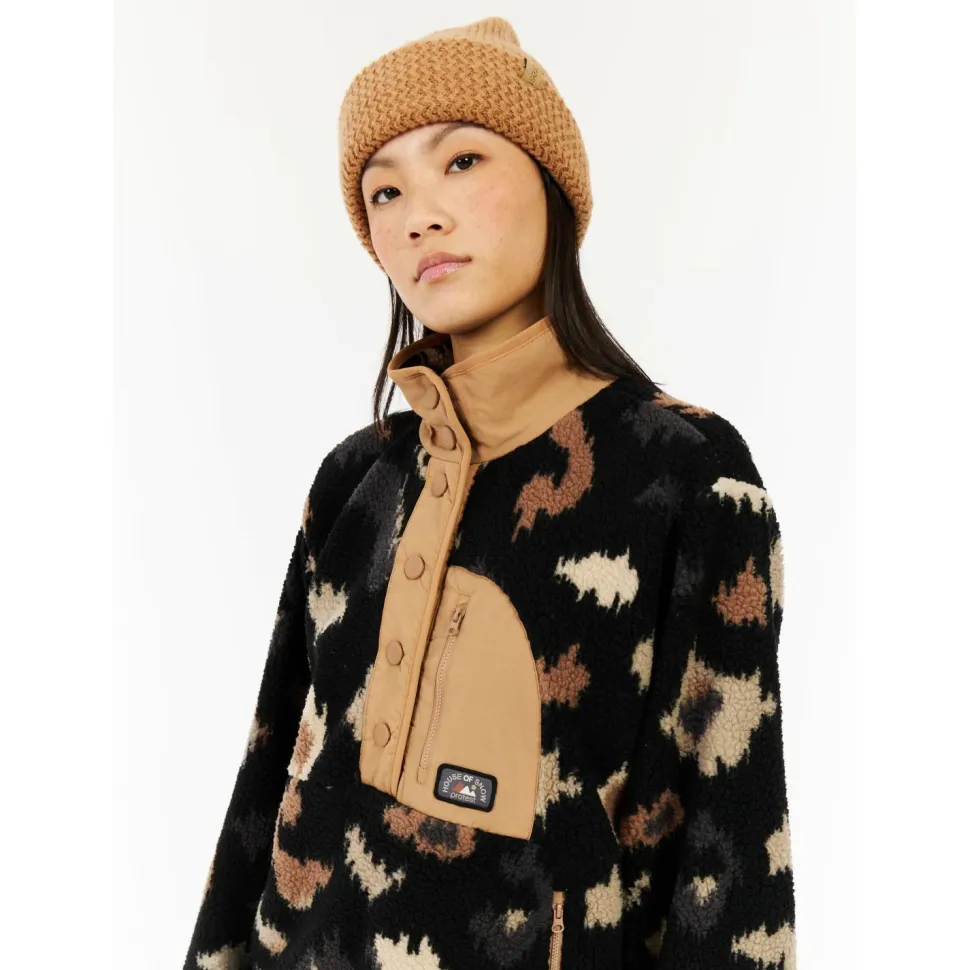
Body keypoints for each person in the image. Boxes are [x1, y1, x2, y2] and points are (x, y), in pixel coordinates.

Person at [182, 16, 797, 970]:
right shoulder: (354, 481)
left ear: (553, 184)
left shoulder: (687, 474)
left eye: (461, 162)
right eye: (384, 191)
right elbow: (269, 783)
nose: (417, 215)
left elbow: (729, 849)